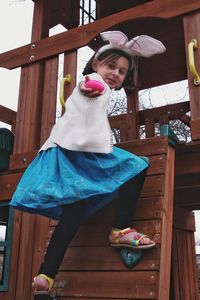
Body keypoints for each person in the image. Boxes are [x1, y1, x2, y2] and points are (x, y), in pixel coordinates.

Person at [10, 31, 165, 298]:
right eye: (110, 66)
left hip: (72, 155)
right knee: (137, 165)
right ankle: (120, 229)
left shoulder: (101, 87)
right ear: (96, 64)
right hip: (77, 156)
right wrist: (89, 86)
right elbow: (88, 86)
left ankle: (45, 275)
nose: (115, 73)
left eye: (121, 71)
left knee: (74, 214)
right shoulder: (93, 82)